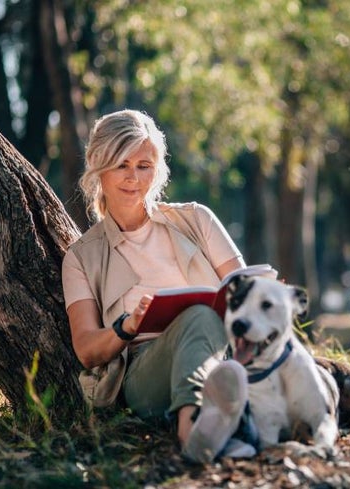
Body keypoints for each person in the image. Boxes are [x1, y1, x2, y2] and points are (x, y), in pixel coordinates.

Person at [62, 109, 255, 462]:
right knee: (198, 317)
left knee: (207, 322)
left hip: (221, 349)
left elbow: (243, 289)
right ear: (97, 164)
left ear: (158, 169)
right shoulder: (81, 257)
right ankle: (192, 431)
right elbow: (87, 349)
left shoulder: (197, 219)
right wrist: (126, 326)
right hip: (146, 373)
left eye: (144, 165)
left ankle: (226, 424)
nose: (134, 178)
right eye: (122, 164)